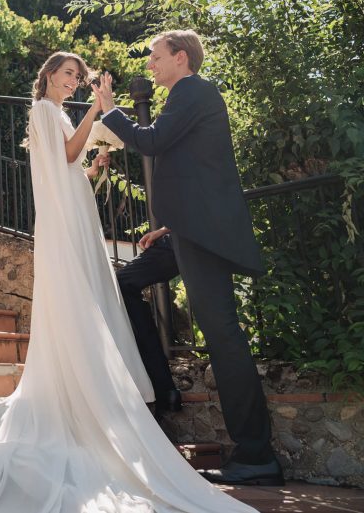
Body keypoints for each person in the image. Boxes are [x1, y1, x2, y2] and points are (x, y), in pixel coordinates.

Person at [0, 52, 256, 513]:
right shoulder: (42, 109)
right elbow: (66, 155)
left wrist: (95, 166)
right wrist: (97, 110)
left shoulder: (53, 115)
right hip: (65, 220)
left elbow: (69, 171)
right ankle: (87, 392)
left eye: (79, 77)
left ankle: (97, 384)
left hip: (75, 212)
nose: (74, 82)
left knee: (91, 297)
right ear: (49, 75)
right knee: (83, 296)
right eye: (69, 74)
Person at [94, 30, 283, 487]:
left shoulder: (194, 91)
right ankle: (167, 391)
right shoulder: (187, 96)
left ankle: (256, 454)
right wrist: (171, 227)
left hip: (204, 238)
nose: (151, 65)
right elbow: (194, 171)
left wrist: (109, 109)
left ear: (181, 58)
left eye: (156, 57)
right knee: (134, 286)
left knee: (223, 336)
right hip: (187, 233)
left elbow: (151, 141)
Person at [114, 225, 183, 420]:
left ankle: (161, 387)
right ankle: (164, 389)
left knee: (121, 285)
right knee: (122, 286)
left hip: (182, 240)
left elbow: (189, 201)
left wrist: (163, 231)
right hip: (191, 238)